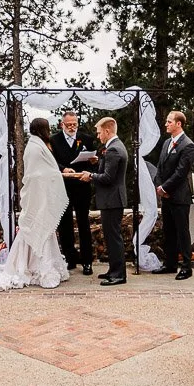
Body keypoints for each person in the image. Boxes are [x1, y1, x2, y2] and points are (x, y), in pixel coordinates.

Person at [0, 118, 70, 291]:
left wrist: (55, 173)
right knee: (35, 228)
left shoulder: (38, 145)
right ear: (42, 129)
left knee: (44, 229)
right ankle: (34, 268)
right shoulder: (34, 147)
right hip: (36, 198)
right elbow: (36, 174)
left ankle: (41, 265)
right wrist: (57, 175)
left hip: (41, 197)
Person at [67, 116, 128, 286]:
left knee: (114, 237)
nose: (98, 136)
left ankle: (118, 275)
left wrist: (90, 176)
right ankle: (114, 270)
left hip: (112, 200)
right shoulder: (114, 147)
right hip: (112, 199)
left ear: (107, 131)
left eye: (100, 132)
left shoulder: (114, 149)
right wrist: (98, 162)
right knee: (111, 237)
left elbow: (108, 178)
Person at [49, 108, 98, 275]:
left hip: (82, 187)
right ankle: (69, 259)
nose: (72, 127)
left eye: (74, 124)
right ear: (62, 124)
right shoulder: (54, 140)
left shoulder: (86, 139)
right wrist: (63, 169)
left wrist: (92, 162)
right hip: (62, 187)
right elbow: (51, 162)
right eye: (69, 124)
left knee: (84, 224)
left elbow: (93, 164)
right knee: (65, 225)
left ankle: (87, 262)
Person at [153, 109, 194, 280]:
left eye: (169, 121)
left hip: (179, 196)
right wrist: (159, 185)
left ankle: (186, 266)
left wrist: (166, 188)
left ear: (179, 124)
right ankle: (169, 263)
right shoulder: (166, 143)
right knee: (168, 231)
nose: (166, 124)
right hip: (166, 196)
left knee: (182, 232)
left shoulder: (188, 145)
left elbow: (181, 172)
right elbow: (160, 167)